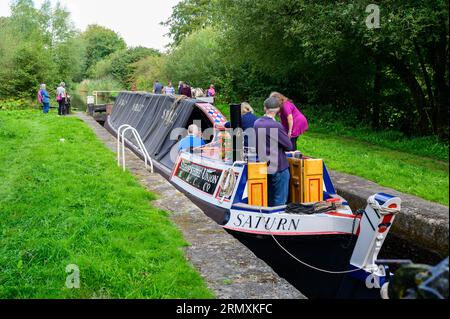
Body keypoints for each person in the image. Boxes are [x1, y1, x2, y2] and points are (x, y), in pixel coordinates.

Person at [254, 97, 293, 207]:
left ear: (265, 108)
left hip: (264, 164)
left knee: (269, 197)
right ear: (278, 110)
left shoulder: (257, 122)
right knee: (280, 199)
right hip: (278, 166)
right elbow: (289, 146)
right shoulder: (276, 125)